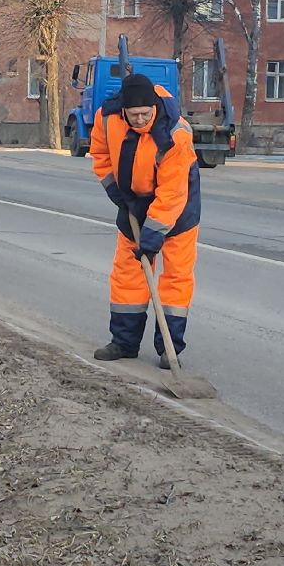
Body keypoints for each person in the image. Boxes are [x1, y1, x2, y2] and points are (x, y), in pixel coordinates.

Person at [90, 72, 200, 369]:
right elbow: (100, 154)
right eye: (134, 114)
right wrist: (116, 192)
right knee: (128, 273)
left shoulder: (175, 134)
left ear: (153, 107)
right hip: (132, 203)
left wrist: (153, 235)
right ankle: (124, 343)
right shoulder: (107, 117)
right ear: (123, 109)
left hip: (178, 206)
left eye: (145, 114)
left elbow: (172, 193)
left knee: (176, 275)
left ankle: (169, 348)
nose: (139, 120)